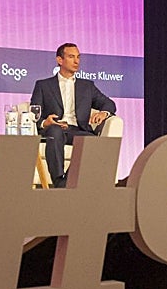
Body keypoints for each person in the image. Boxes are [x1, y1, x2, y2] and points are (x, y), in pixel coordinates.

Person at [30, 44, 117, 188]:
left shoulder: (87, 86)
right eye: (71, 57)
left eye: (78, 57)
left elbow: (109, 103)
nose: (76, 61)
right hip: (54, 128)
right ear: (60, 60)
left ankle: (67, 182)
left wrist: (104, 113)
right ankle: (58, 181)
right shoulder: (43, 85)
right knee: (55, 133)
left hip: (77, 129)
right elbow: (34, 112)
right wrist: (45, 122)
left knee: (93, 142)